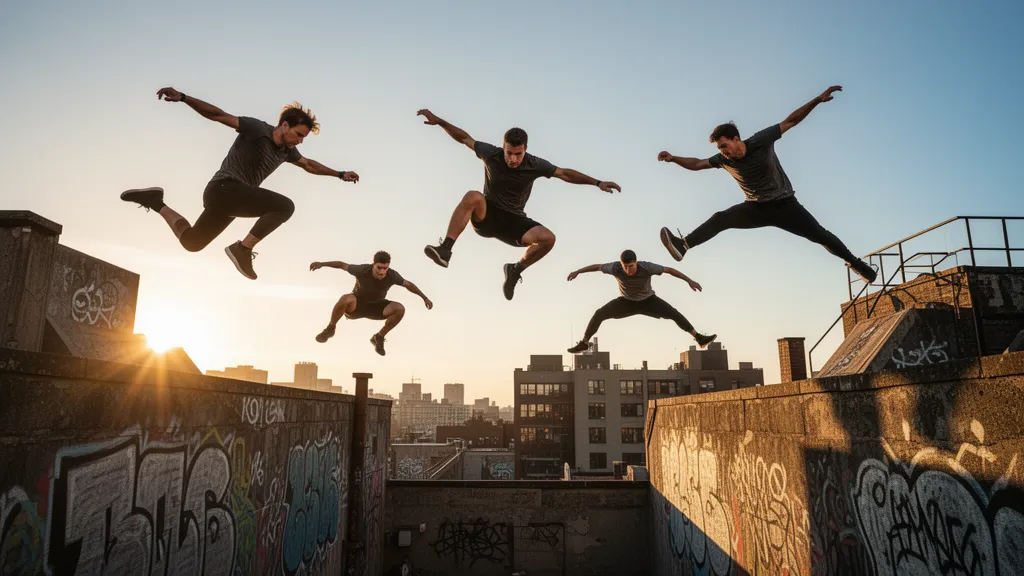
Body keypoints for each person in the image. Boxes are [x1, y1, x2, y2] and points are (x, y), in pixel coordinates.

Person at [121, 87, 359, 280]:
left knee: (192, 243)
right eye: (299, 134)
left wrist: (339, 174)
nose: (300, 141)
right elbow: (218, 115)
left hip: (229, 203)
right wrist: (184, 98)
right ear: (284, 125)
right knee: (285, 206)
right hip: (223, 188)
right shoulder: (258, 129)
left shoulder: (287, 151)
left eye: (303, 138)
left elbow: (309, 165)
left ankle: (155, 201)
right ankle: (242, 249)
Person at [656, 85, 877, 284]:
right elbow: (697, 164)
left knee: (821, 235)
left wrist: (816, 100)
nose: (722, 152)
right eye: (719, 149)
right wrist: (673, 158)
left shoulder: (761, 140)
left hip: (786, 205)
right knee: (720, 218)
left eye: (724, 146)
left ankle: (856, 264)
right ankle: (683, 245)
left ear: (736, 139)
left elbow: (791, 121)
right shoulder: (723, 160)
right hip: (755, 208)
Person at [417, 108, 622, 300]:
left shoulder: (535, 164)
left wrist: (597, 182)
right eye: (509, 153)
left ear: (525, 149)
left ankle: (515, 270)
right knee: (473, 196)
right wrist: (440, 122)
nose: (513, 159)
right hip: (487, 216)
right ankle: (446, 249)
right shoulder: (491, 154)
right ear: (503, 147)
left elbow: (565, 174)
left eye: (518, 154)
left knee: (548, 239)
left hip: (514, 221)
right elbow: (464, 138)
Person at [565, 250, 716, 354]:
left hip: (648, 301)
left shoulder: (647, 267)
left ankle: (699, 338)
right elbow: (597, 267)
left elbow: (669, 270)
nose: (628, 270)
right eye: (625, 267)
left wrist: (689, 280)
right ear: (621, 264)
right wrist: (578, 271)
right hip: (626, 302)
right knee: (599, 313)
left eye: (631, 266)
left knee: (673, 313)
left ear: (636, 263)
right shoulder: (614, 267)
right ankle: (584, 343)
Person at [309, 251, 432, 356]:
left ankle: (379, 337)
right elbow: (342, 265)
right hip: (356, 306)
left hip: (377, 307)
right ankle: (330, 329)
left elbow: (408, 285)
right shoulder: (362, 270)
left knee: (400, 309)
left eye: (385, 268)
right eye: (379, 268)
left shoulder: (392, 275)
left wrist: (425, 298)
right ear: (373, 265)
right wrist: (322, 264)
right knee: (346, 298)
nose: (382, 272)